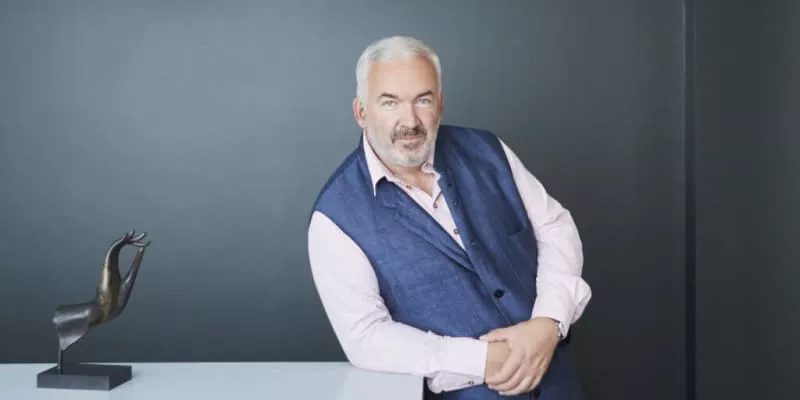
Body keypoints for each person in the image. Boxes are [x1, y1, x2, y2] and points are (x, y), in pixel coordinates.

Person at [307, 35, 592, 400]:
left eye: (423, 100)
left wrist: (548, 322)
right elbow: (366, 336)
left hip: (558, 386)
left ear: (440, 104)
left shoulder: (488, 151)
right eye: (390, 102)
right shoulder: (335, 217)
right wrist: (484, 359)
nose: (410, 121)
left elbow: (555, 227)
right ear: (361, 112)